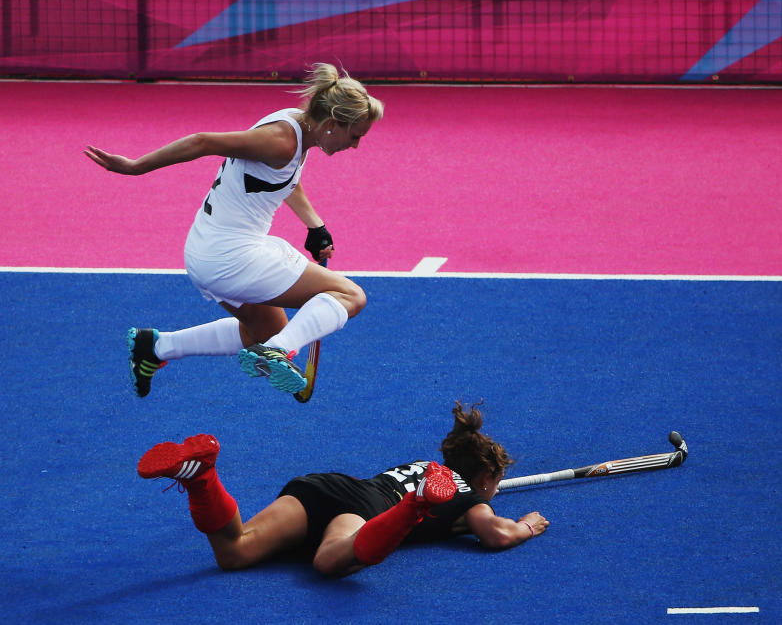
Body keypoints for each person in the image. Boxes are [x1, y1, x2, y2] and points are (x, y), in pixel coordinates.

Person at [84, 63, 384, 397]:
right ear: (331, 124)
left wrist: (315, 225)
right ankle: (278, 352)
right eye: (355, 136)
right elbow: (203, 141)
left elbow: (280, 181)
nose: (355, 145)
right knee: (351, 296)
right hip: (232, 257)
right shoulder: (281, 141)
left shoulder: (297, 127)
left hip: (206, 251)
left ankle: (155, 347)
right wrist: (137, 167)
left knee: (267, 329)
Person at [137, 401, 549, 577]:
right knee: (328, 563)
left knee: (234, 551)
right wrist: (527, 525)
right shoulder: (471, 496)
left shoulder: (430, 467)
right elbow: (495, 534)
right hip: (369, 508)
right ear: (486, 477)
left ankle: (203, 478)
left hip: (326, 486)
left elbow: (457, 523)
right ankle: (413, 507)